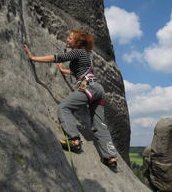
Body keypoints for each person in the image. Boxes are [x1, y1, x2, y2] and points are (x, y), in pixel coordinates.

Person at [23, 30, 118, 167]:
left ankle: (74, 140)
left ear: (78, 42)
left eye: (70, 38)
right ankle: (110, 157)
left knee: (64, 108)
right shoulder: (86, 56)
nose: (67, 40)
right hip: (98, 90)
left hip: (88, 87)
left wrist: (33, 57)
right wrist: (63, 71)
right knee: (99, 125)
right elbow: (76, 71)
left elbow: (57, 57)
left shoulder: (78, 52)